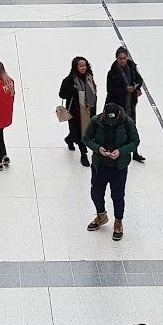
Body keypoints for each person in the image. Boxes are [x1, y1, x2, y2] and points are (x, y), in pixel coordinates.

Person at [83, 103, 140, 241]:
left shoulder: (128, 123)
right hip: (100, 165)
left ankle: (118, 221)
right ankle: (101, 215)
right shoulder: (96, 121)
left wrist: (121, 151)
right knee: (96, 193)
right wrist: (98, 149)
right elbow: (86, 138)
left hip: (118, 167)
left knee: (118, 196)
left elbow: (135, 141)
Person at [105, 46, 146, 163]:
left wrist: (136, 86)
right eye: (120, 58)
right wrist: (125, 90)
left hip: (130, 104)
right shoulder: (112, 73)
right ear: (116, 59)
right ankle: (116, 151)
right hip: (118, 105)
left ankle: (135, 151)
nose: (123, 60)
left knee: (132, 126)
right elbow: (110, 90)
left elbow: (139, 79)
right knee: (117, 128)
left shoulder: (132, 68)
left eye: (124, 58)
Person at [60, 56, 99, 167]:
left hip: (88, 110)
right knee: (79, 132)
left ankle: (69, 139)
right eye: (81, 66)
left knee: (84, 131)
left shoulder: (89, 78)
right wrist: (74, 89)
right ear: (75, 67)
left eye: (85, 65)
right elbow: (62, 94)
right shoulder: (69, 80)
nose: (83, 68)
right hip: (75, 112)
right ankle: (84, 154)